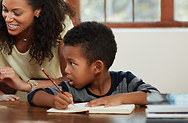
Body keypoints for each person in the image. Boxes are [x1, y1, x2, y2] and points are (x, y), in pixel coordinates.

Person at [27, 21, 160, 109]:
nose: (66, 70)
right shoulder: (70, 88)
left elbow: (155, 95)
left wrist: (118, 99)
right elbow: (34, 96)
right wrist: (53, 101)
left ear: (97, 67)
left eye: (72, 63)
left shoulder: (125, 81)